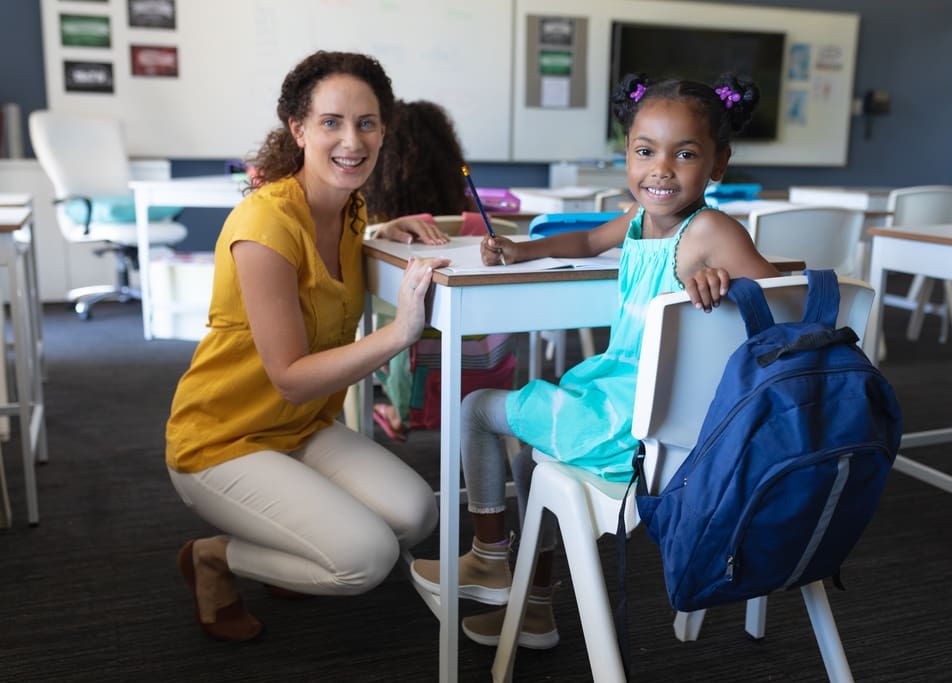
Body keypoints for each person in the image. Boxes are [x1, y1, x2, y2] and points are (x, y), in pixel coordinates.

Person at [410, 72, 781, 649]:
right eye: (644, 151)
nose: (660, 169)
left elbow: (786, 301)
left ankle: (488, 556)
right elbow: (585, 242)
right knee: (534, 460)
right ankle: (536, 606)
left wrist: (730, 284)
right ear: (626, 157)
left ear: (719, 163)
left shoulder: (710, 229)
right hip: (638, 413)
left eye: (684, 154)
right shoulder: (637, 222)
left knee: (477, 408)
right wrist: (522, 249)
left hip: (633, 427)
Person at [165, 51, 452, 642]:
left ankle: (290, 542)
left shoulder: (352, 212)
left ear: (384, 129)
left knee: (419, 512)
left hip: (300, 431)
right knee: (365, 560)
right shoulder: (265, 225)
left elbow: (332, 261)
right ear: (298, 129)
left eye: (367, 123)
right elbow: (291, 377)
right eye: (331, 122)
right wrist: (398, 334)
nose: (352, 139)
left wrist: (380, 233)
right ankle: (214, 558)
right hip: (224, 440)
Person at [361, 99, 472, 441]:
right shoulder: (470, 219)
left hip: (403, 362)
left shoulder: (373, 227)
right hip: (476, 365)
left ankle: (393, 410)